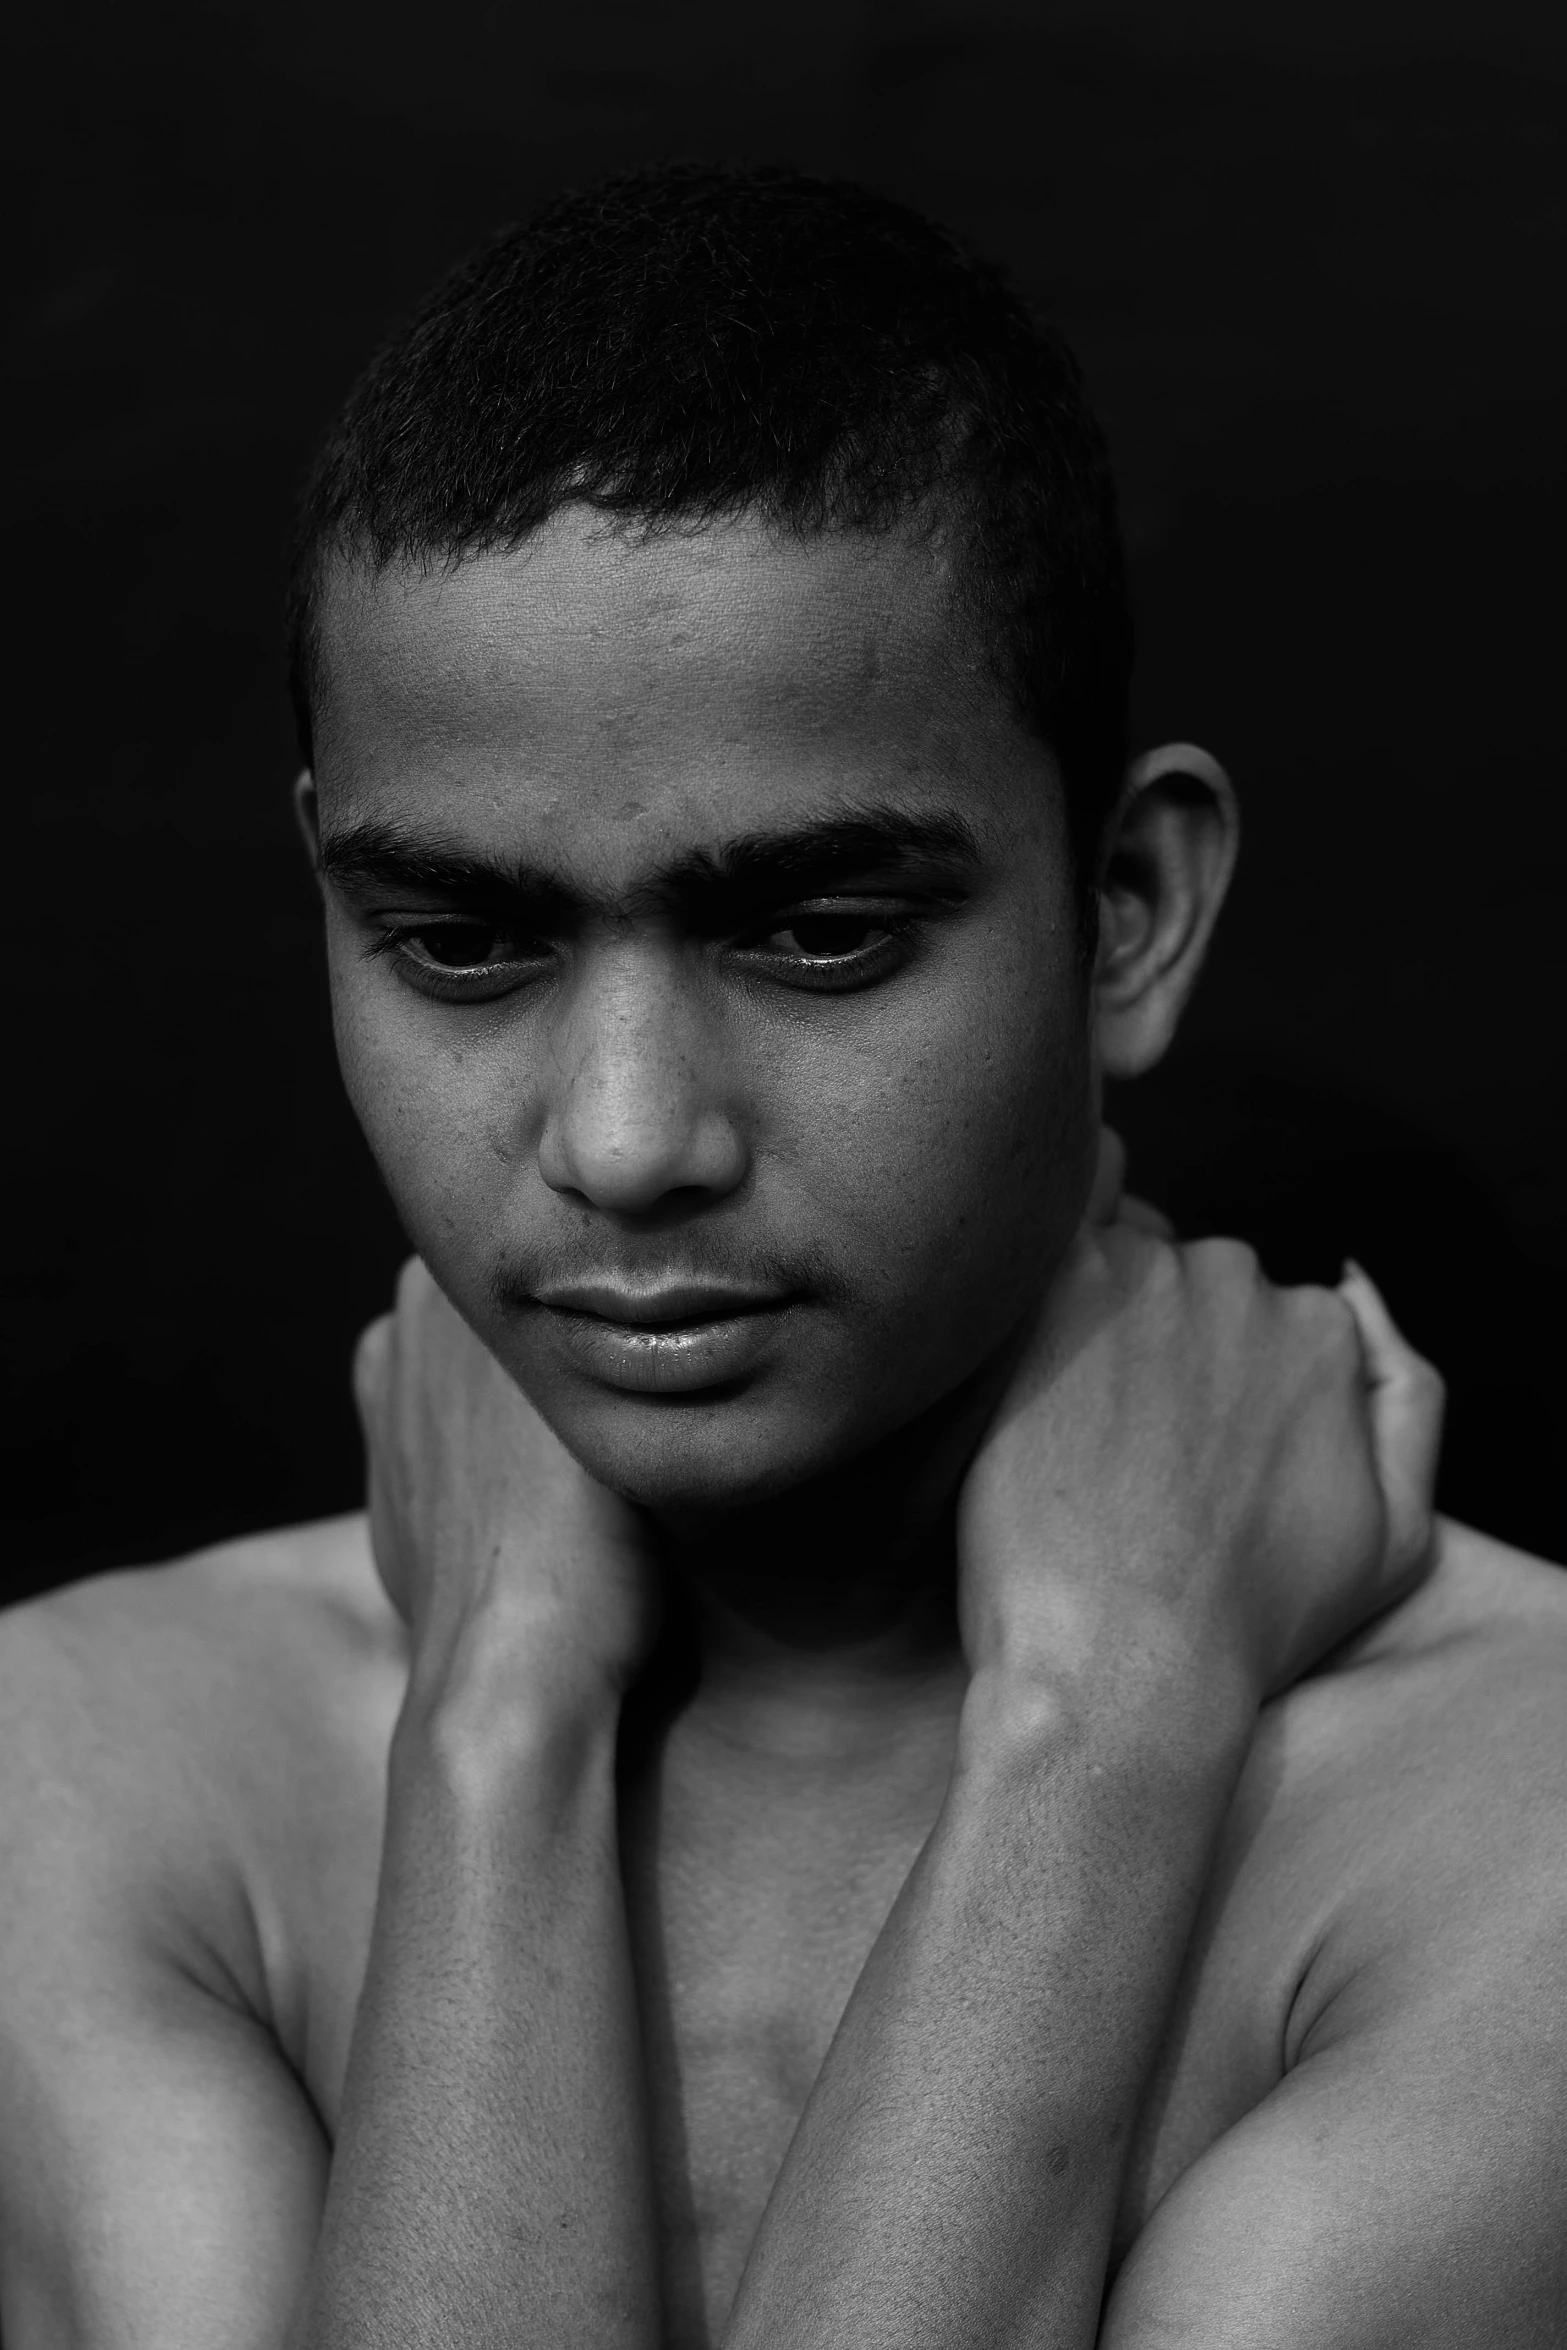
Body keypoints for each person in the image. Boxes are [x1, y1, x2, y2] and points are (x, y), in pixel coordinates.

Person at [0, 162, 1562, 2350]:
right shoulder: (79, 1767)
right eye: (460, 940)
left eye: (820, 931)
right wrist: (501, 1716)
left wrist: (1091, 1723)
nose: (628, 1138)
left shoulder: (1531, 1817)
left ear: (1127, 910)